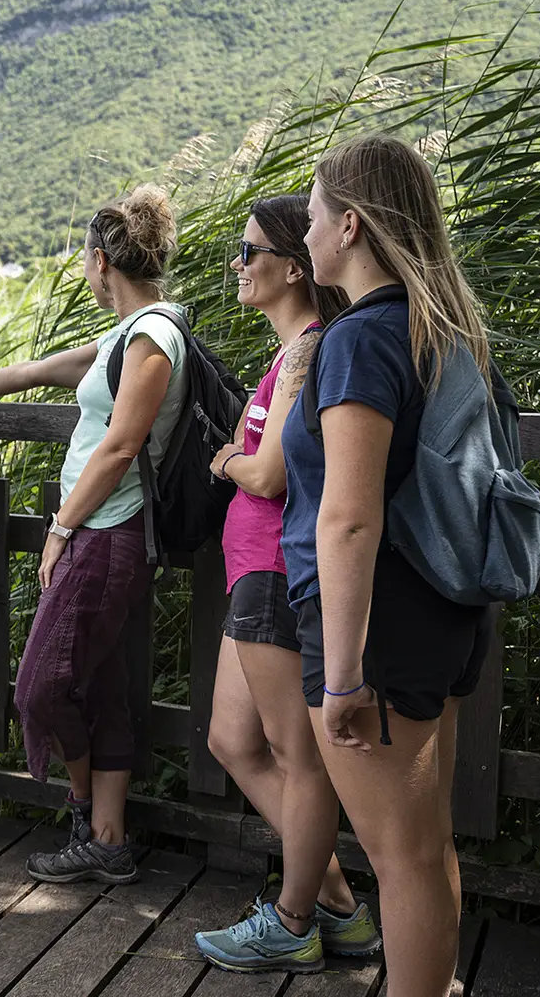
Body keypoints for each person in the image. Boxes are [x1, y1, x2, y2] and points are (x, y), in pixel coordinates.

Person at [282, 135, 494, 997]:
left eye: (312, 218)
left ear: (351, 226)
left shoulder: (362, 339)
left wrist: (340, 676)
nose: (305, 234)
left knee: (398, 858)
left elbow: (349, 514)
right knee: (425, 845)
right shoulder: (437, 324)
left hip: (378, 629)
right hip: (437, 607)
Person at [0, 184, 185, 885]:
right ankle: (109, 838)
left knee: (39, 687)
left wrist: (61, 529)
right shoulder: (128, 335)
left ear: (100, 261)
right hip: (98, 530)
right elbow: (50, 368)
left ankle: (80, 807)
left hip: (106, 533)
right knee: (96, 689)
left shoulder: (153, 337)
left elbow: (122, 446)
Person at [192, 195, 376, 973]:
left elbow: (262, 471)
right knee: (230, 740)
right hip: (250, 576)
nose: (238, 262)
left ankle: (297, 917)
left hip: (276, 569)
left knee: (296, 757)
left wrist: (225, 462)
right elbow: (248, 441)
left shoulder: (310, 348)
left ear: (292, 267)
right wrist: (236, 453)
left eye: (249, 249)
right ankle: (337, 903)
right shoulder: (283, 357)